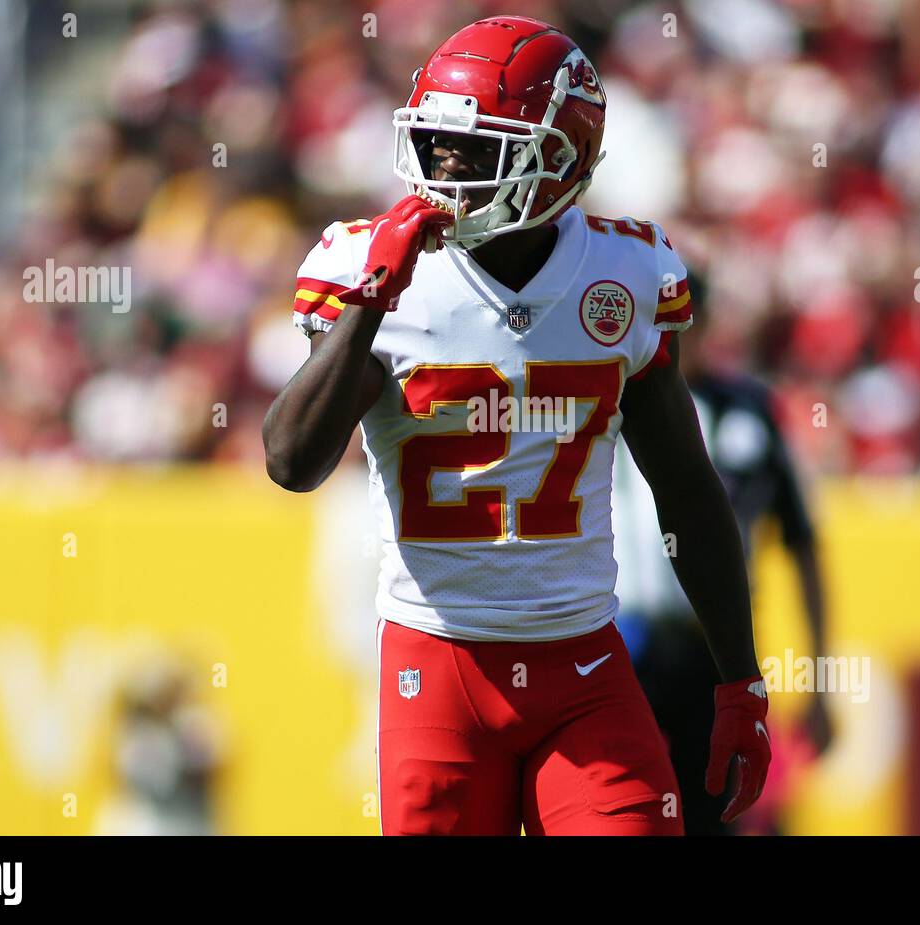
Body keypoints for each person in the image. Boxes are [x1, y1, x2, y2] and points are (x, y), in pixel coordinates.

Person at [263, 16, 769, 835]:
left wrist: (739, 680)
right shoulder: (370, 272)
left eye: (478, 149)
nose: (445, 169)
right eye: (435, 143)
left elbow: (686, 488)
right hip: (436, 668)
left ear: (557, 160)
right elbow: (291, 460)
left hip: (586, 666)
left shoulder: (625, 275)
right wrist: (369, 302)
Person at [613, 274, 833, 835]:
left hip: (711, 646)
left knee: (711, 813)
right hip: (620, 640)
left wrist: (821, 680)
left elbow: (802, 542)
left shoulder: (750, 411)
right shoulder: (608, 396)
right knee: (615, 808)